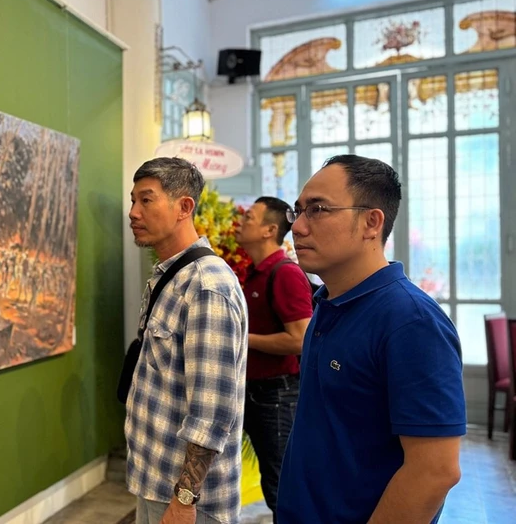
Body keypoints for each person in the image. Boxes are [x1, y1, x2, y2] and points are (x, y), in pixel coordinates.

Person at [276, 155, 464, 523]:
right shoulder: (327, 304)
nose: (297, 227)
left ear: (370, 222)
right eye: (297, 212)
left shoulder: (410, 321)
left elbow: (435, 471)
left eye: (317, 210)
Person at [125, 157, 248, 524]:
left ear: (184, 207)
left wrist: (184, 499)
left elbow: (211, 412)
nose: (133, 212)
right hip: (155, 482)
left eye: (146, 200)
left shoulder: (207, 286)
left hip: (190, 503)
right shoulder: (170, 276)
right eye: (133, 200)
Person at [234, 196, 314, 522]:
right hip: (254, 392)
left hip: (276, 395)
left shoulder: (285, 273)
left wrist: (240, 338)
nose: (240, 222)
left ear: (269, 229)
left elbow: (300, 338)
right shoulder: (255, 273)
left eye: (249, 218)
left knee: (282, 484)